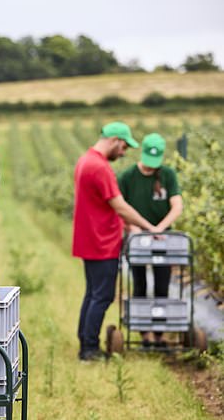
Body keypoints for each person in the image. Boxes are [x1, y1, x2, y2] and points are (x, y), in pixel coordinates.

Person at [72, 121, 164, 361]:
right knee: (102, 296)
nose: (124, 153)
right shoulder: (99, 167)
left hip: (90, 239)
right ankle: (89, 350)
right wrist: (149, 227)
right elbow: (120, 206)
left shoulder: (85, 160)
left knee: (93, 294)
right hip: (102, 242)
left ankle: (85, 342)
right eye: (124, 146)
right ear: (114, 140)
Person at [118, 133, 183, 347]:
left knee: (162, 284)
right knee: (140, 283)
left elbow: (177, 205)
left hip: (163, 239)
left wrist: (160, 229)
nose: (150, 167)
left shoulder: (167, 175)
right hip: (137, 239)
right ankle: (143, 332)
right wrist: (134, 228)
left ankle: (159, 333)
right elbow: (119, 209)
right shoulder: (127, 177)